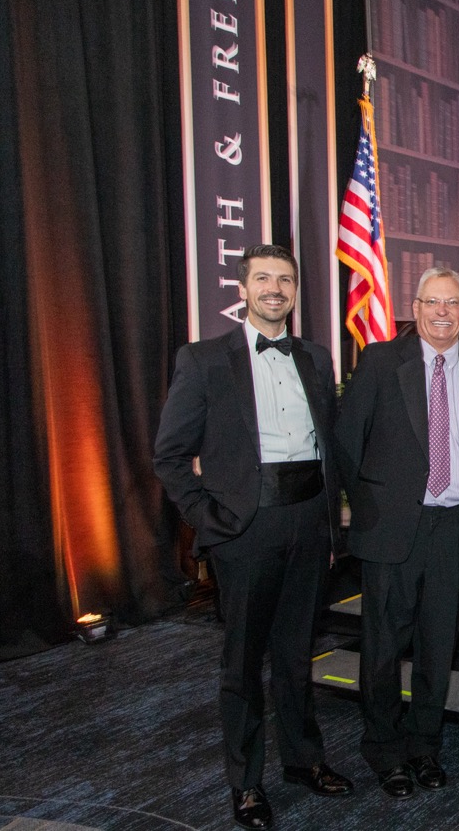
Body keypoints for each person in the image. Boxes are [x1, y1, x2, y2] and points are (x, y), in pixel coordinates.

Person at [153, 245, 353, 831]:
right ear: (242, 289)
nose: (275, 289)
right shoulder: (202, 360)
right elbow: (169, 456)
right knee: (242, 662)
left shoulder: (316, 357)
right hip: (244, 528)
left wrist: (332, 523)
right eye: (263, 278)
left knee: (296, 653)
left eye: (285, 279)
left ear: (295, 290)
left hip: (309, 522)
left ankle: (304, 760)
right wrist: (208, 519)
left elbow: (330, 444)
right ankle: (245, 783)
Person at [334, 268, 459, 800]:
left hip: (452, 525)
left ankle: (424, 745)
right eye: (432, 302)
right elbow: (347, 442)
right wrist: (372, 508)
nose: (443, 312)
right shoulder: (381, 362)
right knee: (383, 645)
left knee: (438, 643)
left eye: (453, 303)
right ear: (415, 308)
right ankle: (384, 748)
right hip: (391, 527)